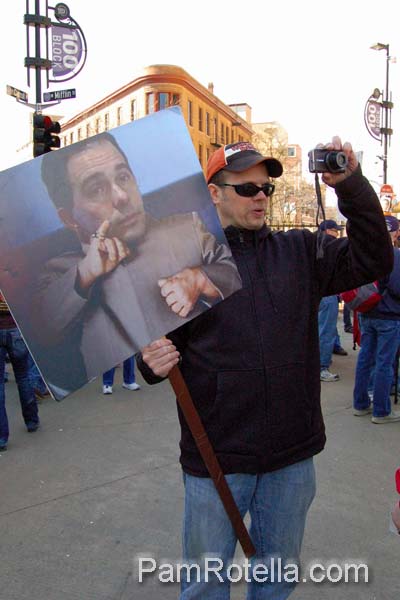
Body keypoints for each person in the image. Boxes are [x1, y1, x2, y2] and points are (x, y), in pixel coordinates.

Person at [137, 138, 393, 599]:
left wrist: (350, 187)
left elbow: (374, 258)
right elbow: (158, 353)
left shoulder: (301, 252)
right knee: (204, 587)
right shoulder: (186, 266)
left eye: (266, 188)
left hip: (290, 460)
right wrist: (150, 364)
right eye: (246, 187)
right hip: (216, 459)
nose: (260, 196)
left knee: (276, 583)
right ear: (213, 193)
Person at [33, 132, 241, 383]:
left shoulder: (188, 229)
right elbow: (42, 330)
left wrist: (202, 278)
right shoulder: (59, 272)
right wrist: (85, 274)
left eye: (123, 176)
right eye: (96, 189)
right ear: (68, 218)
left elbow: (233, 272)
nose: (121, 196)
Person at [353, 215, 400, 423]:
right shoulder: (395, 255)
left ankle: (361, 403)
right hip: (388, 315)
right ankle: (381, 410)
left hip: (367, 310)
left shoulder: (368, 253)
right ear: (396, 232)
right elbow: (397, 288)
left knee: (365, 358)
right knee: (384, 363)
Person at [0, 292, 40, 452]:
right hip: (14, 328)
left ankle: (1, 437)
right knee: (23, 377)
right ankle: (31, 421)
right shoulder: (10, 270)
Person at [318, 220, 347, 382]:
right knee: (325, 331)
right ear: (328, 230)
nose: (337, 233)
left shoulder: (312, 243)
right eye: (335, 230)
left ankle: (320, 363)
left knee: (320, 330)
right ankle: (322, 367)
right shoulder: (328, 245)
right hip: (327, 293)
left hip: (318, 292)